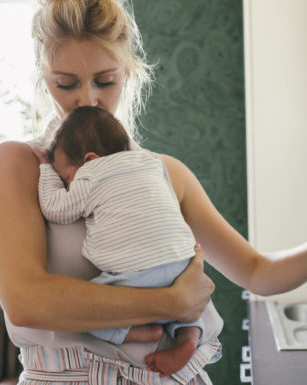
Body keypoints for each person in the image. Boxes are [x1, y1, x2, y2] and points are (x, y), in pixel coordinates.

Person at [0, 0, 307, 384]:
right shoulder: (19, 166)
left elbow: (257, 272)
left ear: (129, 71)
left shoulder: (166, 173)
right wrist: (174, 304)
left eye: (106, 81)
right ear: (44, 77)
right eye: (65, 83)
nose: (87, 99)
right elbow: (26, 302)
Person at [38, 105, 209, 376]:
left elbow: (55, 209)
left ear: (89, 159)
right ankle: (188, 338)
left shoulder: (92, 173)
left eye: (67, 178)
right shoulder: (151, 163)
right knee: (193, 308)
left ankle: (139, 332)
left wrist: (47, 169)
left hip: (136, 271)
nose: (68, 185)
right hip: (181, 262)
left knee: (85, 311)